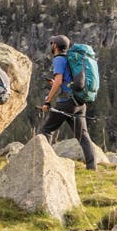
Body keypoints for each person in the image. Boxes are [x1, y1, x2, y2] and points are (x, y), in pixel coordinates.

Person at [38, 34, 99, 170]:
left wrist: (48, 101)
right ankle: (92, 167)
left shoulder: (59, 59)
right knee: (83, 136)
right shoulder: (71, 59)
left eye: (51, 43)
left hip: (66, 102)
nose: (50, 45)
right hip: (79, 102)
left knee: (45, 131)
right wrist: (55, 83)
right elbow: (66, 81)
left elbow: (59, 81)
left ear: (55, 45)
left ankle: (46, 165)